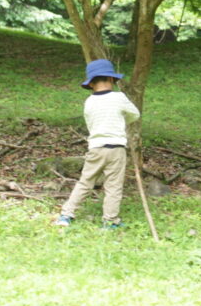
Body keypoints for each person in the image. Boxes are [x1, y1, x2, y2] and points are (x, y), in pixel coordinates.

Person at [55, 59, 141, 229]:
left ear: (91, 84)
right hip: (116, 149)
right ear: (111, 79)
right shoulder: (119, 97)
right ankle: (109, 220)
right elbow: (135, 114)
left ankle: (66, 214)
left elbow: (92, 124)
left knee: (85, 182)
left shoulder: (89, 102)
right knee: (114, 186)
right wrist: (123, 120)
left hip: (96, 147)